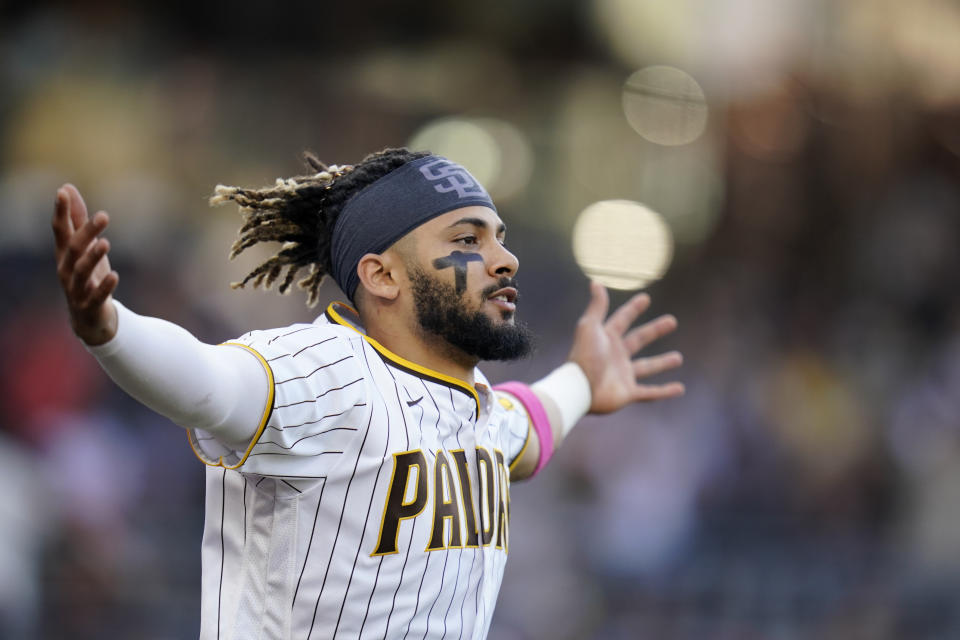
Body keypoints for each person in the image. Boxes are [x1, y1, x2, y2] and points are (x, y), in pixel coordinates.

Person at [51, 147, 684, 639]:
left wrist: (582, 380)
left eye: (498, 236)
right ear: (382, 276)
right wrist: (110, 328)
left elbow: (532, 431)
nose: (504, 258)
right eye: (468, 240)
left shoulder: (479, 405)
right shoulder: (324, 373)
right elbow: (206, 384)